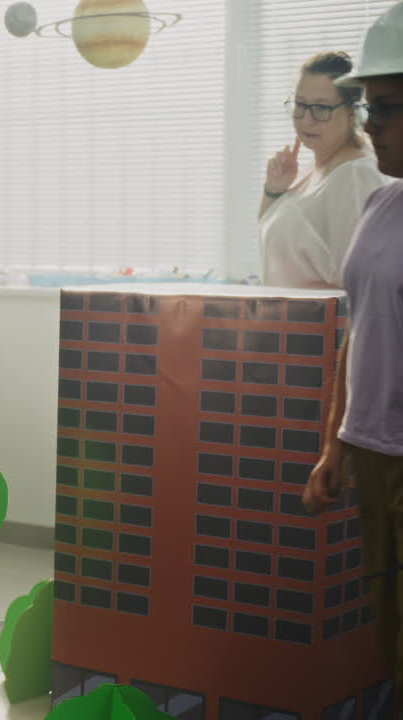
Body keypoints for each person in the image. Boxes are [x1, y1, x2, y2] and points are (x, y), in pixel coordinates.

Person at [303, 0, 403, 691]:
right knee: (392, 630)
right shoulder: (381, 205)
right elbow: (356, 326)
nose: (375, 129)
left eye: (388, 110)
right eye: (368, 110)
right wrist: (335, 445)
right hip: (371, 448)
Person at [258, 51, 389, 288]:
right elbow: (272, 247)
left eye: (321, 108)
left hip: (316, 324)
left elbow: (357, 284)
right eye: (300, 104)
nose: (306, 119)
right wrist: (274, 191)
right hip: (285, 321)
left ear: (351, 112)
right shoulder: (313, 170)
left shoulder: (355, 175)